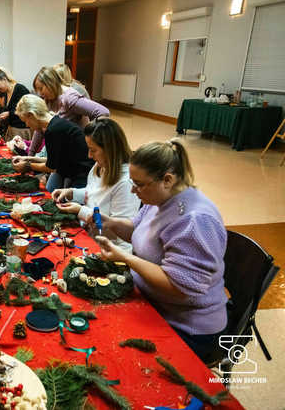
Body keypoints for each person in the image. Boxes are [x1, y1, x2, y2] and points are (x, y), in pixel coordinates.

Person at [91, 139, 227, 360]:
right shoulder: (161, 199)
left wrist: (125, 258)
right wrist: (112, 223)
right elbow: (138, 230)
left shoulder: (195, 220)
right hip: (153, 303)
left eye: (139, 184)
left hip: (187, 327)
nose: (134, 190)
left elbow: (179, 286)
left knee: (114, 352)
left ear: (167, 180)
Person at [51, 118, 140, 251]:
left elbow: (118, 230)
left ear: (110, 149)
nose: (89, 155)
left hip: (109, 249)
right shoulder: (100, 166)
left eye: (93, 150)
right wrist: (72, 192)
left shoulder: (126, 183)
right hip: (89, 236)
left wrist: (80, 210)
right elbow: (92, 193)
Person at [13, 94, 93, 190]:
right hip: (74, 170)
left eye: (26, 121)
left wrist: (28, 165)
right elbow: (53, 161)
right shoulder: (55, 123)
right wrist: (27, 158)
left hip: (83, 175)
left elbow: (51, 167)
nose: (27, 125)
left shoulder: (53, 130)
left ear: (31, 115)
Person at [29, 66, 109, 157]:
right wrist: (30, 154)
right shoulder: (48, 100)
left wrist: (90, 135)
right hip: (62, 152)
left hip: (76, 153)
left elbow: (103, 112)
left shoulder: (69, 98)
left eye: (41, 88)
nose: (40, 93)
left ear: (50, 83)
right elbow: (39, 128)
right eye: (37, 90)